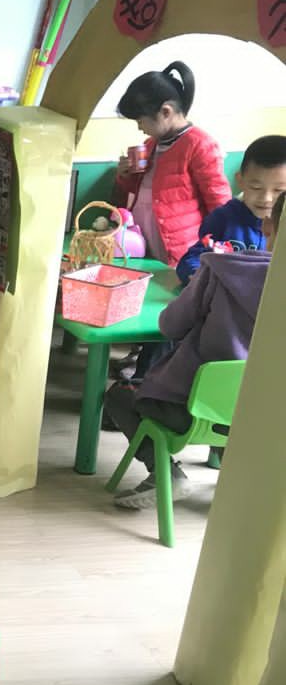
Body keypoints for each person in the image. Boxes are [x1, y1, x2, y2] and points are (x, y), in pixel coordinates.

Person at [106, 192, 278, 509]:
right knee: (238, 399)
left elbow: (170, 326)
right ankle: (237, 485)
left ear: (267, 227)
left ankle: (165, 474)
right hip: (261, 419)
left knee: (119, 394)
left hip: (189, 411)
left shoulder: (220, 270)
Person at [115, 62, 231, 267]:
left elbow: (218, 202)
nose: (140, 127)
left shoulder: (200, 144)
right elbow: (141, 189)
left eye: (140, 121)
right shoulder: (150, 145)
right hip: (143, 241)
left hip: (180, 248)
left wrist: (218, 249)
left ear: (165, 112)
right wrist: (125, 176)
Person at [175, 134, 286, 284]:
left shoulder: (282, 225)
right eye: (256, 187)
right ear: (240, 181)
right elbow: (191, 260)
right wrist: (198, 277)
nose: (266, 198)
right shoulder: (222, 219)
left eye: (279, 191)